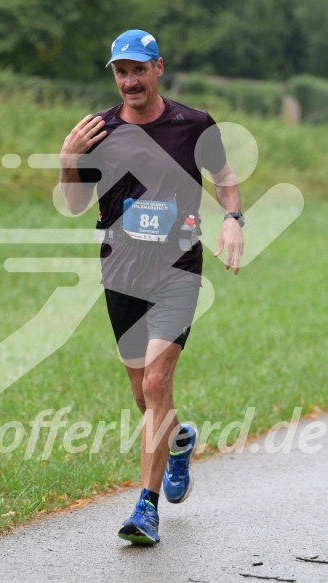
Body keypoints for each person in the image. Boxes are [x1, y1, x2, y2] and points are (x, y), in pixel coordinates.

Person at [59, 29, 244, 545]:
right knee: (144, 396)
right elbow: (75, 206)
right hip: (120, 272)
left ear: (158, 68)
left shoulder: (194, 124)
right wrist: (68, 159)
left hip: (178, 271)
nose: (130, 80)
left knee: (159, 384)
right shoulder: (98, 130)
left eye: (139, 69)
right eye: (121, 71)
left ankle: (146, 507)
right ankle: (180, 440)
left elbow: (225, 175)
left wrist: (232, 217)